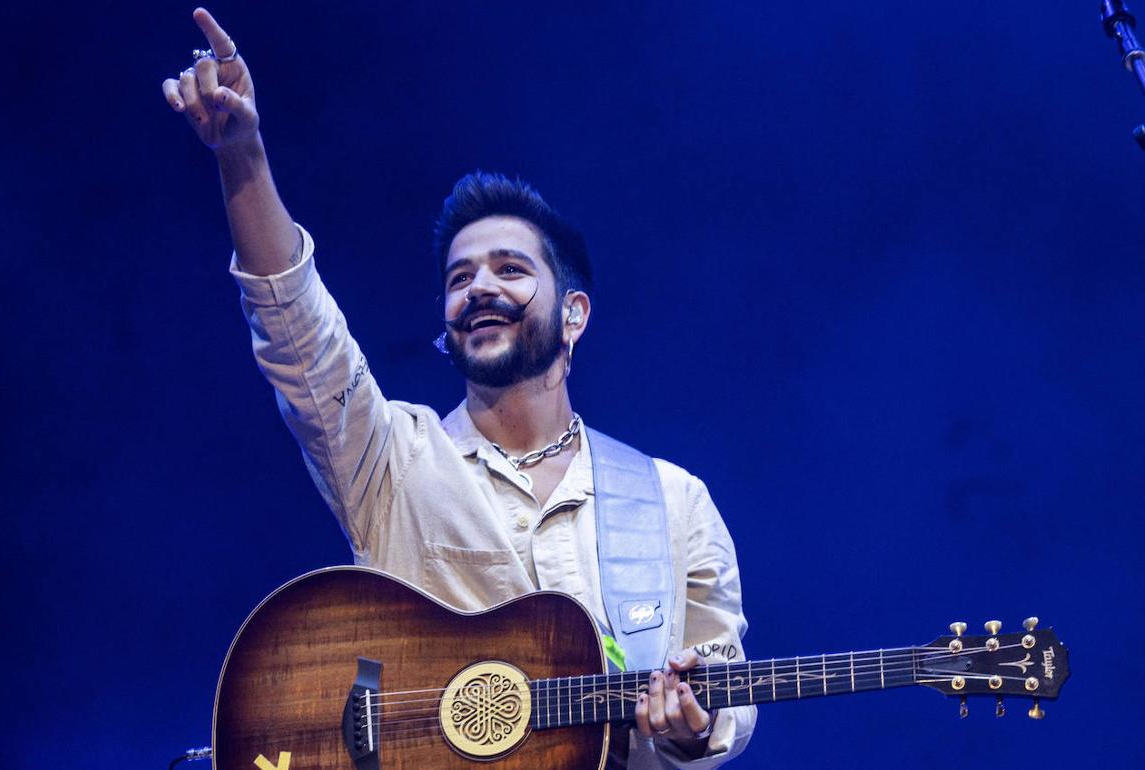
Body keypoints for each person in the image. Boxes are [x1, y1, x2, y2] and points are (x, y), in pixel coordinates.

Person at [163, 8, 757, 768]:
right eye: (459, 277)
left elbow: (722, 685)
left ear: (574, 314)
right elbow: (298, 337)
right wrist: (241, 158)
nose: (480, 286)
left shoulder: (673, 502)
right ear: (446, 322)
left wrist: (694, 725)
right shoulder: (392, 461)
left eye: (510, 269)